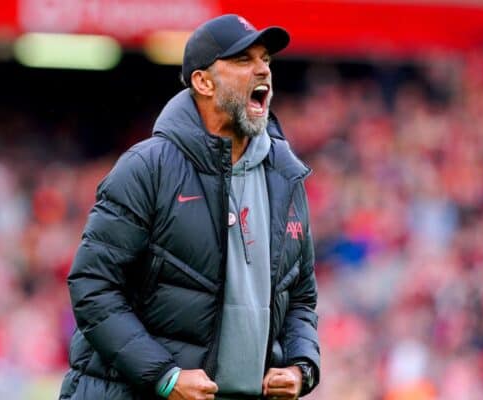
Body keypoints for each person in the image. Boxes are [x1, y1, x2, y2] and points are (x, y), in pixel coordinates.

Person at [59, 14, 320, 400]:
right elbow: (93, 286)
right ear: (203, 81)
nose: (263, 69)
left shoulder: (285, 176)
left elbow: (300, 296)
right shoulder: (147, 168)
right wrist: (163, 376)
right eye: (244, 60)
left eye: (266, 59)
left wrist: (301, 366)